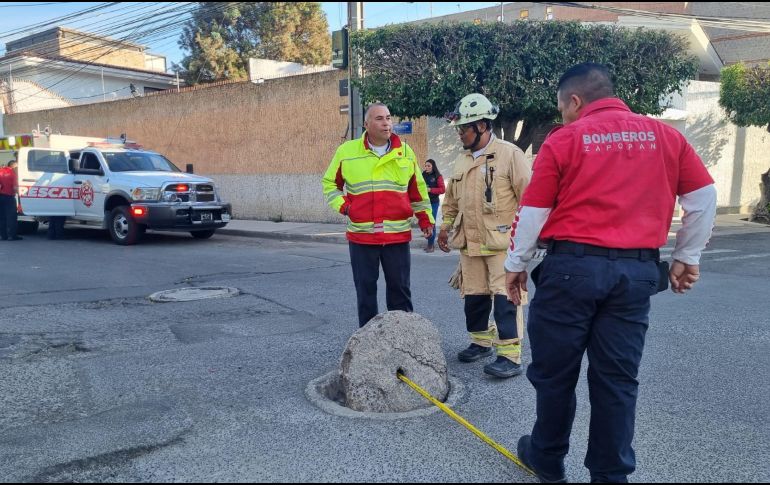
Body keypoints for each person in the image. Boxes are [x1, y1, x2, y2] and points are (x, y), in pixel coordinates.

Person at [505, 63, 717, 483]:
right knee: (617, 380)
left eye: (563, 107)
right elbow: (704, 196)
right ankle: (610, 475)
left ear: (575, 101)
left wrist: (515, 266)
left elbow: (532, 212)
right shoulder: (667, 137)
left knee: (554, 374)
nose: (563, 115)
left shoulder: (565, 139)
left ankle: (546, 459)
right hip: (635, 274)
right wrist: (685, 256)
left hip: (570, 272)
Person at [438, 93, 532, 378]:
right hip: (470, 244)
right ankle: (481, 343)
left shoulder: (510, 155)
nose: (459, 134)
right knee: (475, 298)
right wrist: (445, 226)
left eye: (463, 128)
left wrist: (528, 241)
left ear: (481, 125)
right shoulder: (462, 160)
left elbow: (529, 200)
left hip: (502, 245)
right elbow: (452, 200)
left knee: (505, 299)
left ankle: (510, 355)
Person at [322, 103, 434, 328]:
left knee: (400, 292)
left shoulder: (405, 151)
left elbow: (418, 190)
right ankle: (368, 343)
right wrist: (346, 207)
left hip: (397, 237)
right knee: (366, 292)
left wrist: (425, 218)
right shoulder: (347, 152)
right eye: (379, 119)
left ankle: (403, 339)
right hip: (362, 237)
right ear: (366, 124)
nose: (386, 123)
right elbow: (330, 185)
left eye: (389, 118)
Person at [421, 159, 445, 252]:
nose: (426, 167)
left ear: (433, 166)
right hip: (424, 202)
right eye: (426, 166)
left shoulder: (438, 176)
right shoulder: (423, 175)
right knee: (425, 222)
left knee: (432, 223)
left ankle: (431, 245)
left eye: (428, 166)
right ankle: (429, 243)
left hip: (434, 202)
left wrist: (430, 190)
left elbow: (442, 190)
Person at [0, 160, 21, 241]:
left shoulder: (0, 171)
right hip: (9, 197)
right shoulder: (13, 174)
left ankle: (3, 236)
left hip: (0, 197)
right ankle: (12, 236)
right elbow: (15, 188)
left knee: (2, 217)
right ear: (13, 166)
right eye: (17, 167)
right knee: (11, 217)